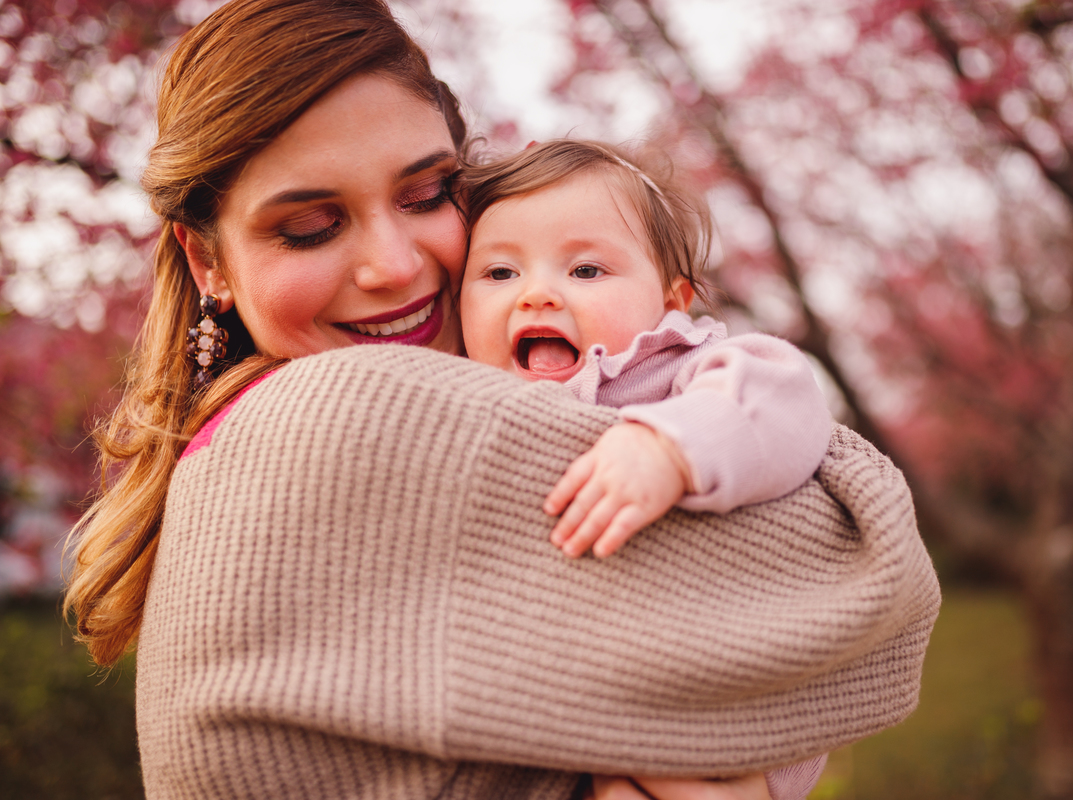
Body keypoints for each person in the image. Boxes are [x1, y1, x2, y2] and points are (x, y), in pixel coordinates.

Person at [62, 1, 941, 799]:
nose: (396, 267)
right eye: (310, 227)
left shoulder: (238, 448)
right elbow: (877, 593)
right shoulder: (330, 417)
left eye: (428, 194)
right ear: (207, 260)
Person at [456, 140, 832, 562]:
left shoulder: (682, 365)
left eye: (585, 270)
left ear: (670, 302)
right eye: (501, 272)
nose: (536, 294)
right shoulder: (458, 397)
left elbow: (783, 398)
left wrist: (668, 448)